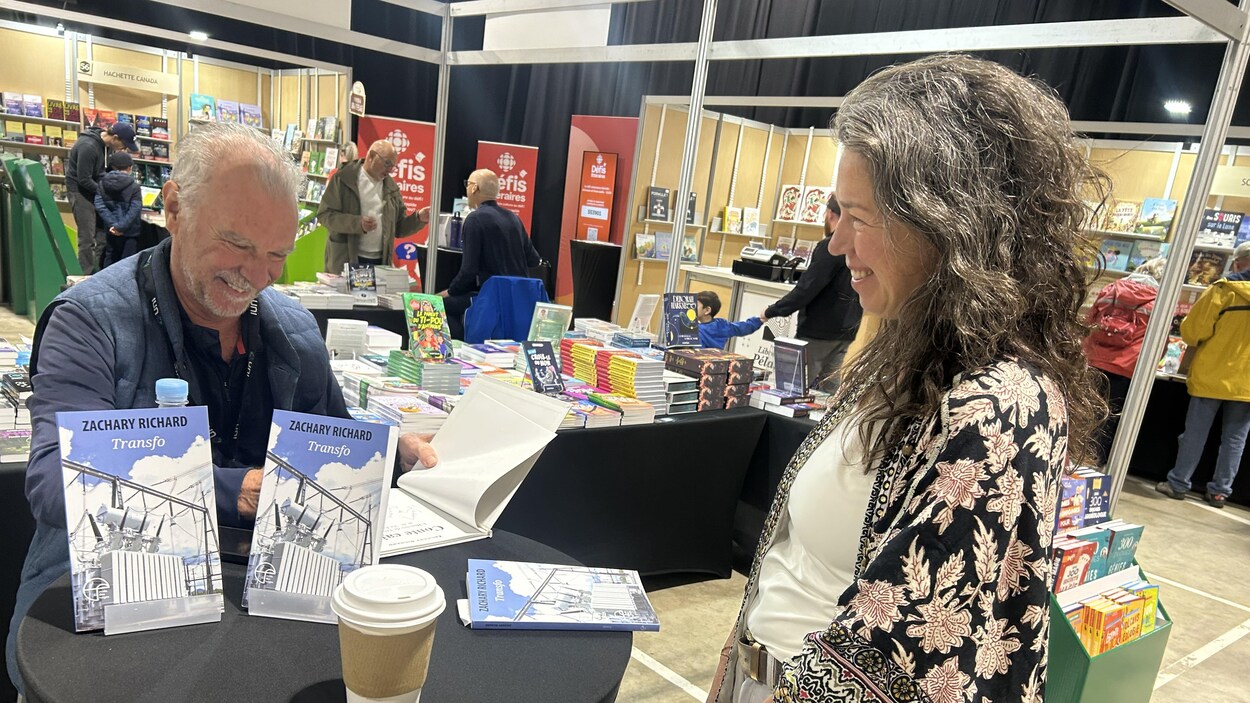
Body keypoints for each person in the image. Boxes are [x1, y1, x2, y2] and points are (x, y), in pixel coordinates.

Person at [702, 54, 1106, 703]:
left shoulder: (1001, 405)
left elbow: (904, 651)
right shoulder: (907, 346)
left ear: (944, 222)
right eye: (839, 213)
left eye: (859, 217)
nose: (837, 244)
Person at [5, 123, 437, 694]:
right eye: (237, 244)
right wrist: (238, 491)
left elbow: (333, 438)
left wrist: (390, 455)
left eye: (277, 254)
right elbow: (55, 479)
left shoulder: (293, 331)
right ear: (176, 209)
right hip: (109, 607)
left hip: (262, 608)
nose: (257, 275)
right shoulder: (90, 322)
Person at [1156, 242, 1250, 508]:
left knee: (1195, 434)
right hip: (1247, 384)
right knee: (1235, 440)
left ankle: (1178, 483)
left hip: (1211, 374)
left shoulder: (1223, 290)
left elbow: (1193, 332)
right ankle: (1220, 492)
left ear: (1238, 262)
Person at [761, 193, 862, 392]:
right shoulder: (859, 245)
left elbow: (807, 288)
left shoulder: (831, 246)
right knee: (829, 392)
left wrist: (771, 311)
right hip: (847, 330)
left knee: (792, 389)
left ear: (830, 214)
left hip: (817, 331)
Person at [1084, 256, 1167, 464]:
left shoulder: (1110, 289)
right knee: (1110, 418)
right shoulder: (1160, 301)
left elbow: (1089, 320)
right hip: (1127, 366)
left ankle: (1072, 460)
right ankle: (1094, 466)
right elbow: (1160, 342)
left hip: (1094, 360)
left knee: (1083, 412)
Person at [439, 169, 542, 334]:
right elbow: (534, 260)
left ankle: (461, 346)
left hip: (491, 299)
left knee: (439, 306)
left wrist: (450, 291)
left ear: (474, 188)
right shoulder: (514, 218)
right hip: (518, 300)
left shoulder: (474, 219)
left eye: (468, 184)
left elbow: (469, 271)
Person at [319, 139, 429, 273]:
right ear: (371, 156)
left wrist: (418, 218)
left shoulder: (391, 188)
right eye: (387, 163)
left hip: (380, 263)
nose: (390, 170)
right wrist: (358, 223)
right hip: (346, 259)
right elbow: (325, 215)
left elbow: (399, 228)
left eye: (393, 166)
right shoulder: (343, 178)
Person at [65, 120, 137, 274]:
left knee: (103, 233)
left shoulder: (106, 147)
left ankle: (99, 272)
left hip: (94, 191)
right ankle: (85, 275)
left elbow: (99, 173)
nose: (124, 149)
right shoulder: (88, 147)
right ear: (115, 138)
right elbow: (84, 179)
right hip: (80, 192)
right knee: (87, 237)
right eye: (124, 145)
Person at [93, 151, 144, 269]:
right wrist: (122, 226)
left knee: (110, 258)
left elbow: (100, 205)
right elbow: (135, 208)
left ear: (112, 166)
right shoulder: (134, 186)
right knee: (127, 263)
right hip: (130, 231)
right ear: (130, 168)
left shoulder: (102, 184)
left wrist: (113, 225)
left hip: (110, 230)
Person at [696, 290, 764, 350]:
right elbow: (742, 328)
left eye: (695, 305)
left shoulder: (695, 330)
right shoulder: (722, 324)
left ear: (707, 310)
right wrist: (759, 320)